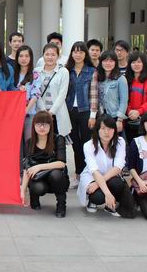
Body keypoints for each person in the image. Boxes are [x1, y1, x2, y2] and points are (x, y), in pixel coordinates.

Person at [77, 114, 135, 218]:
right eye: (103, 128)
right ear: (97, 130)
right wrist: (107, 194)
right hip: (92, 177)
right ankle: (92, 201)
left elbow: (118, 167)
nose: (107, 132)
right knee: (97, 197)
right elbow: (94, 171)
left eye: (110, 128)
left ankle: (110, 204)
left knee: (117, 184)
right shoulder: (88, 145)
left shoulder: (120, 142)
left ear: (114, 130)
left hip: (111, 175)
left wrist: (98, 184)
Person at [20, 111, 69, 217]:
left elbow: (61, 163)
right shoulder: (30, 142)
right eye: (39, 124)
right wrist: (22, 190)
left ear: (50, 126)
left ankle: (61, 205)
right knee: (37, 187)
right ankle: (34, 197)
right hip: (39, 179)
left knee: (56, 174)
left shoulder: (58, 139)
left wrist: (39, 167)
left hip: (55, 178)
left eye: (45, 124)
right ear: (34, 126)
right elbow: (26, 167)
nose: (42, 127)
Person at [65, 41, 98, 189]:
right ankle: (78, 175)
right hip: (70, 112)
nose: (78, 55)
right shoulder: (67, 70)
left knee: (87, 144)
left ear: (86, 54)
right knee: (75, 145)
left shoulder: (92, 71)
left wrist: (93, 115)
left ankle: (87, 174)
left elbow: (94, 94)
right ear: (72, 53)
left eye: (81, 52)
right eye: (75, 51)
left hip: (86, 112)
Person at [33, 43, 71, 137]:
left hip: (57, 112)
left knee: (58, 141)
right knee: (41, 140)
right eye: (47, 54)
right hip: (40, 113)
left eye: (53, 54)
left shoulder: (63, 72)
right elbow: (36, 92)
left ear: (58, 56)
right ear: (43, 56)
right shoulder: (36, 71)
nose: (50, 57)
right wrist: (44, 111)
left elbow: (62, 94)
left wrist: (51, 112)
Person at [125, 52, 147, 145]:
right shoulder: (126, 79)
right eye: (133, 62)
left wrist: (139, 111)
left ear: (144, 63)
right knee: (131, 146)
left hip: (146, 120)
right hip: (129, 119)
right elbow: (123, 99)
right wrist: (129, 111)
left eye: (139, 62)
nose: (136, 64)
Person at [96, 51, 128, 134]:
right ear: (101, 62)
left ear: (115, 63)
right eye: (105, 61)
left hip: (115, 116)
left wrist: (120, 120)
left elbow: (124, 101)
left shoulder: (120, 79)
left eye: (111, 61)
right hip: (101, 115)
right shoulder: (98, 78)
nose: (108, 63)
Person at [15, 45, 41, 142]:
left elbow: (36, 95)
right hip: (14, 114)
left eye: (27, 56)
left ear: (31, 58)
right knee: (16, 144)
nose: (24, 59)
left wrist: (26, 110)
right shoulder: (13, 74)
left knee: (29, 142)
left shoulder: (35, 75)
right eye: (21, 56)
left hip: (30, 114)